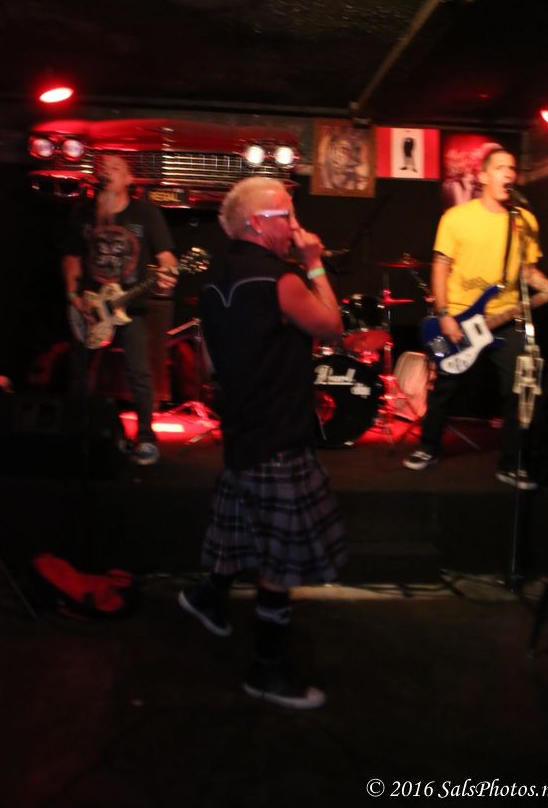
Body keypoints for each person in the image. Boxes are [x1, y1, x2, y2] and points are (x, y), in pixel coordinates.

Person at [178, 177, 348, 709]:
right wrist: (314, 264)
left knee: (242, 525)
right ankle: (264, 671)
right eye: (287, 216)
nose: (296, 227)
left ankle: (207, 596)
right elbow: (334, 327)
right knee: (279, 563)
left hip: (243, 432)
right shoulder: (283, 280)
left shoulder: (213, 283)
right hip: (278, 436)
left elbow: (208, 365)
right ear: (258, 223)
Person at [404, 146, 548, 488]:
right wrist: (444, 314)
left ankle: (512, 462)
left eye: (512, 168)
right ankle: (428, 446)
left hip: (506, 319)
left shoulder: (524, 221)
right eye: (500, 167)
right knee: (444, 387)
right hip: (459, 317)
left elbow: (528, 271)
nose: (508, 173)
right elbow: (440, 267)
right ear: (483, 176)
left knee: (519, 388)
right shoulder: (456, 218)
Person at [62, 154, 178, 466]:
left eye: (115, 168)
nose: (107, 171)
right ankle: (77, 434)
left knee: (139, 372)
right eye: (102, 167)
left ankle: (146, 438)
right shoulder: (83, 213)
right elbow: (72, 257)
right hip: (90, 306)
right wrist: (73, 296)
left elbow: (166, 256)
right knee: (80, 372)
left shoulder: (145, 213)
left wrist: (169, 274)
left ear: (129, 179)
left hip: (130, 306)